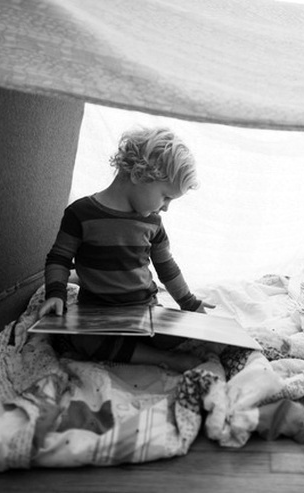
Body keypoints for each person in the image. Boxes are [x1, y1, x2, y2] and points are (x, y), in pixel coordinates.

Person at [38, 126, 213, 372]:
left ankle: (149, 348)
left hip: (144, 310)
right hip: (97, 313)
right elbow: (59, 258)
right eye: (166, 197)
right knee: (82, 341)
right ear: (139, 175)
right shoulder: (80, 213)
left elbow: (167, 267)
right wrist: (55, 294)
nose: (165, 208)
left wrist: (190, 303)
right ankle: (162, 360)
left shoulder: (153, 222)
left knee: (182, 334)